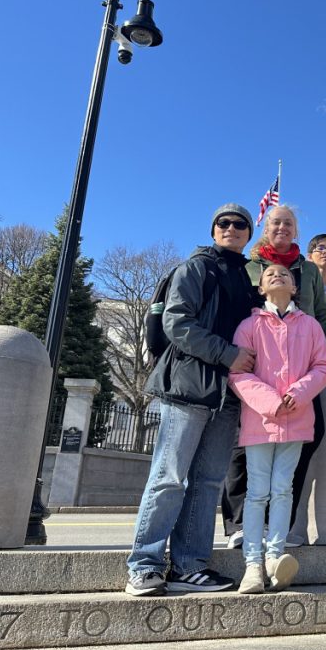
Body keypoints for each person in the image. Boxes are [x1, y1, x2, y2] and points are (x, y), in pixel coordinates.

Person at [125, 203, 257, 597]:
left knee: (207, 482)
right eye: (224, 223)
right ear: (214, 230)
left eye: (240, 224)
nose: (231, 228)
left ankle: (189, 565)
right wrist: (227, 354)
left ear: (249, 233)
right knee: (169, 478)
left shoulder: (247, 278)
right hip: (188, 387)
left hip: (226, 395)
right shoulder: (196, 267)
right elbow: (177, 323)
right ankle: (144, 565)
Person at [222, 205, 326, 548]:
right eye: (275, 222)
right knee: (243, 445)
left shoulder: (308, 271)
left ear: (295, 230)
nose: (282, 227)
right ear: (265, 228)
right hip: (253, 364)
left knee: (308, 437)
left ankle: (279, 522)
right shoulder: (248, 266)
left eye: (288, 222)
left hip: (297, 369)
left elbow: (320, 316)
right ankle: (240, 522)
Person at [228, 264, 326, 593]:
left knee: (284, 489)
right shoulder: (248, 326)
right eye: (270, 274)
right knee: (258, 492)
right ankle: (253, 564)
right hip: (260, 419)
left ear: (295, 288)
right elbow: (239, 374)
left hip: (297, 419)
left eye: (285, 275)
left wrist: (298, 394)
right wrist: (272, 401)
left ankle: (275, 556)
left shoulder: (311, 326)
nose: (278, 276)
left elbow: (323, 366)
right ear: (261, 288)